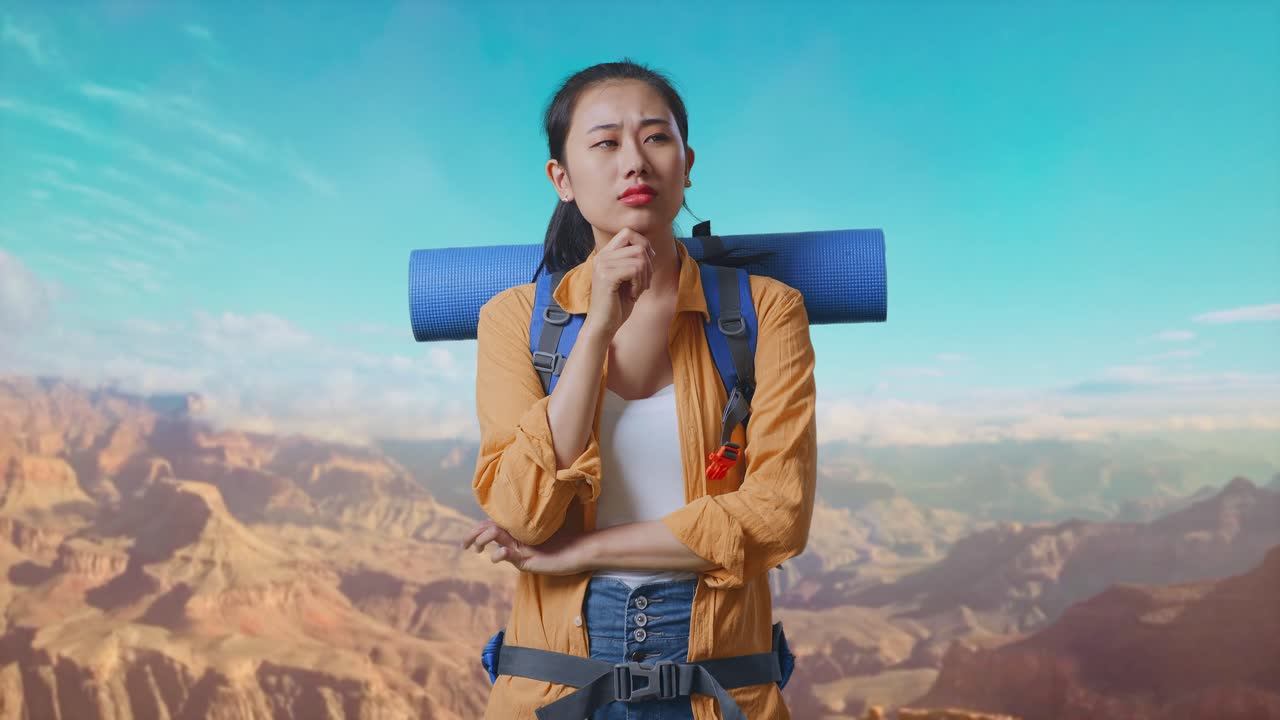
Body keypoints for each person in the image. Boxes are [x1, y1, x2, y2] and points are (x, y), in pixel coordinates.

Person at [462, 58, 817, 720]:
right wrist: (596, 328)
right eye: (605, 142)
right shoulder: (512, 319)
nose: (635, 161)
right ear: (561, 179)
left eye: (656, 137)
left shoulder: (768, 312)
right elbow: (521, 512)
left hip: (720, 688)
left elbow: (778, 517)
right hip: (555, 691)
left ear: (687, 162)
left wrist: (580, 551)